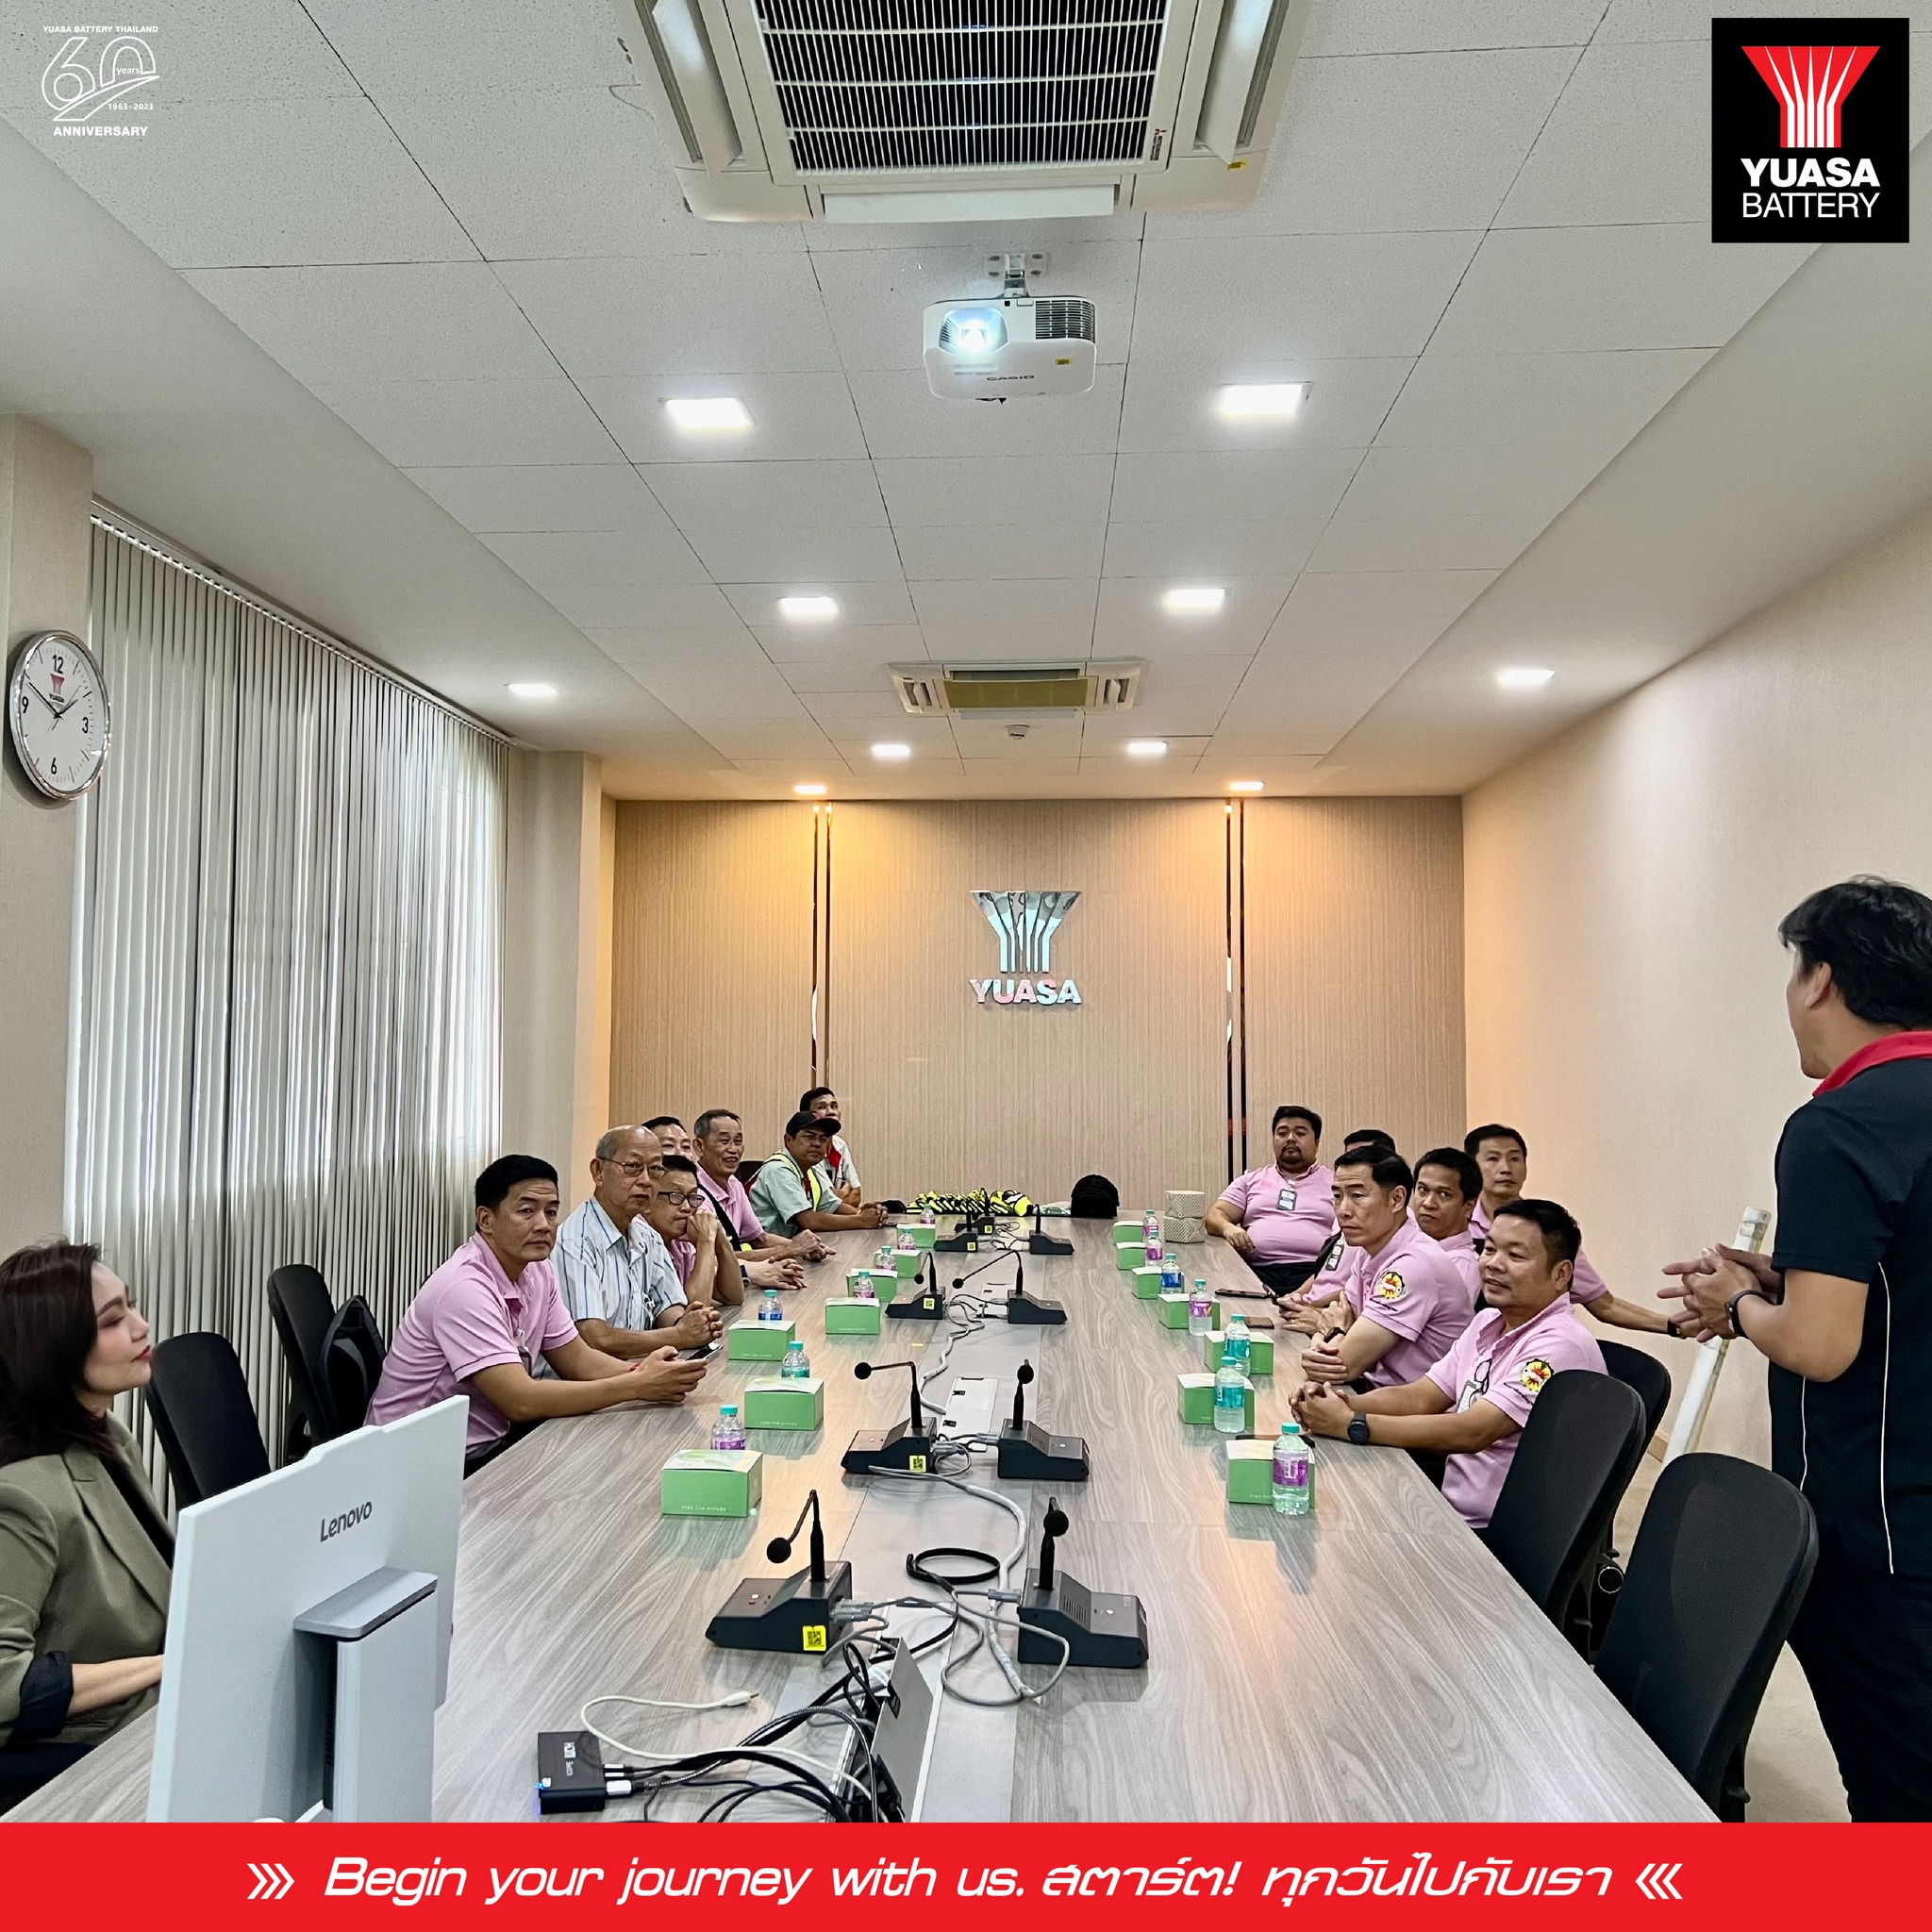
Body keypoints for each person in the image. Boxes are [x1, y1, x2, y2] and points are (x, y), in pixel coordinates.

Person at [1663, 876, 1932, 1821]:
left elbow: (1819, 1345)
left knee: (1899, 1797)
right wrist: (1788, 1277)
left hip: (1884, 1535)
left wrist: (1738, 1303)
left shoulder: (1839, 1124)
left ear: (1819, 979)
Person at [368, 1155, 708, 1474]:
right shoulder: (463, 1287)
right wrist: (636, 1384)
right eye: (527, 1211)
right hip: (417, 1465)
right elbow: (520, 1401)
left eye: (551, 1212)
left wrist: (650, 1373)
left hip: (486, 1445)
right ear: (486, 1220)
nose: (544, 1224)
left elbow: (577, 1359)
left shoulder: (538, 1270)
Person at [1294, 1199, 1607, 1531]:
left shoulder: (1559, 1345)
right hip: (1447, 1507)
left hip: (1502, 1533)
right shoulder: (1488, 1321)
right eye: (1489, 1250)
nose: (1494, 1264)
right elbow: (1421, 1397)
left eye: (1515, 1256)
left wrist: (1351, 1424)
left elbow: (1473, 1430)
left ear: (1561, 1274)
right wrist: (1340, 1403)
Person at [0, 1243, 170, 1767]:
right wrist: (167, 1664)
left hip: (153, 1712)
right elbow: (5, 1683)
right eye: (113, 1320)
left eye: (131, 1306)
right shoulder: (22, 1496)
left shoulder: (109, 1436)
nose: (142, 1327)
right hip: (93, 1753)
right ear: (54, 1349)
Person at [1464, 1123, 1675, 1334]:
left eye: (1515, 1159)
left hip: (1534, 1339)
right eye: (1493, 1159)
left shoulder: (1547, 1229)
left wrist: (1674, 1325)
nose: (1506, 1168)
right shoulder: (1456, 1223)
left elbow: (1604, 1305)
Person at [1295, 1148, 1474, 1391]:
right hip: (1375, 1389)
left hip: (1416, 1406)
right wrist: (1333, 1334)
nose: (1343, 1210)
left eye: (1357, 1196)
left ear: (1397, 1199)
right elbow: (1339, 1328)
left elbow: (1342, 1364)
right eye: (1337, 1196)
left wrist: (1331, 1331)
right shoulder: (1368, 1250)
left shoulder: (1413, 1264)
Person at [553, 1128, 721, 1358]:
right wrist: (680, 1335)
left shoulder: (647, 1235)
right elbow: (595, 1339)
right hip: (585, 1377)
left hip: (637, 1366)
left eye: (655, 1169)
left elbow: (669, 1307)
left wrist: (692, 1323)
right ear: (598, 1171)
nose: (645, 1181)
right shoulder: (574, 1242)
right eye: (632, 1167)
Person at [1207, 1105, 1337, 1293]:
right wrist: (1228, 1228)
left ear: (1316, 1143)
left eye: (1300, 1133)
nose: (1290, 1138)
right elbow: (1214, 1215)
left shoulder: (1337, 1184)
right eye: (1282, 1133)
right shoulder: (1251, 1180)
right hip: (1255, 1272)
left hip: (1315, 1274)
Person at [691, 1108, 822, 1276]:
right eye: (724, 1141)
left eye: (738, 1141)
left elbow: (759, 1239)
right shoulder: (694, 1194)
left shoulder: (734, 1184)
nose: (733, 1149)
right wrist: (791, 1248)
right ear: (699, 1147)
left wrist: (805, 1247)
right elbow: (716, 1260)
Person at [749, 1113, 888, 1238]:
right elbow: (808, 1220)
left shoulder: (810, 1170)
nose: (817, 1143)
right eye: (809, 1137)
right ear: (788, 1141)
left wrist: (867, 1213)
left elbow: (833, 1206)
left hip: (794, 1246)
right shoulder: (778, 1169)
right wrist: (862, 1220)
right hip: (765, 1250)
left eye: (822, 1139)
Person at [652, 1155, 746, 1307]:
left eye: (692, 1197)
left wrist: (719, 1235)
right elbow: (695, 1307)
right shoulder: (645, 1244)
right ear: (650, 1197)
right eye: (675, 1196)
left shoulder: (681, 1242)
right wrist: (706, 1240)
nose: (686, 1207)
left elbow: (733, 1296)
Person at [1412, 1146, 1483, 1298]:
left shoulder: (1460, 1266)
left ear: (1469, 1207)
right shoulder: (1407, 1243)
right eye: (1423, 1190)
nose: (1428, 1203)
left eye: (1444, 1194)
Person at [801, 1087, 860, 1205]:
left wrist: (839, 1196)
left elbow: (857, 1195)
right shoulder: (809, 1148)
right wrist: (844, 1191)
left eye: (834, 1106)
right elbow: (827, 1201)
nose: (831, 1112)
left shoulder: (840, 1145)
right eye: (821, 1107)